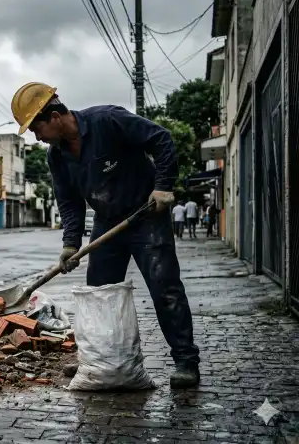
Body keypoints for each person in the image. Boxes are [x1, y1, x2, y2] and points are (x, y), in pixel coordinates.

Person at [11, 82, 200, 388]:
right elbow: (69, 201)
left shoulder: (107, 120)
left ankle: (185, 360)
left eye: (37, 127)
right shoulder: (56, 157)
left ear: (55, 116)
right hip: (108, 222)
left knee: (164, 286)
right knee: (98, 293)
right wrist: (70, 244)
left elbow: (161, 139)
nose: (37, 136)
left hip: (146, 215)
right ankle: (97, 359)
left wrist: (164, 185)